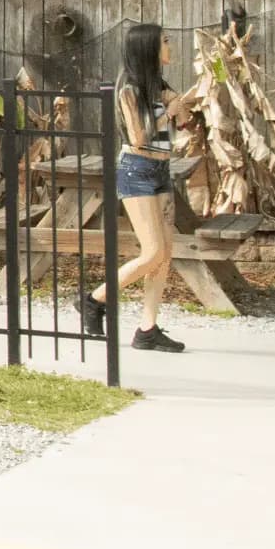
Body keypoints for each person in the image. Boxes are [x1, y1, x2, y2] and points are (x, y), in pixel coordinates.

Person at [79, 23, 186, 354]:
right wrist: (169, 113)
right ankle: (94, 300)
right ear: (147, 47)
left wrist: (184, 102)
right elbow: (139, 137)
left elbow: (182, 115)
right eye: (165, 41)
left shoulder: (158, 86)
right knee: (152, 252)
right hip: (136, 170)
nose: (170, 46)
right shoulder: (128, 89)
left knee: (164, 255)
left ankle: (147, 329)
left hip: (161, 169)